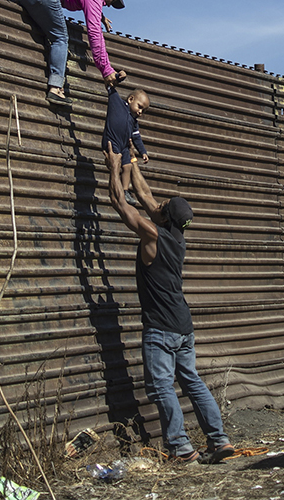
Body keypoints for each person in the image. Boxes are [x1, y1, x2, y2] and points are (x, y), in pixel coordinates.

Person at [103, 142, 237, 464]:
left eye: (163, 204)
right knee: (191, 379)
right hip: (184, 327)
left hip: (161, 330)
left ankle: (180, 448)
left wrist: (112, 166)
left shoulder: (152, 235)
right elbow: (146, 196)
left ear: (165, 217)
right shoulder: (176, 237)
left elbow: (121, 204)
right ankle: (219, 441)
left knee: (161, 387)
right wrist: (131, 159)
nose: (157, 201)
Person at [5, 0, 128, 107]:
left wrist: (100, 16)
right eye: (113, 0)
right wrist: (106, 70)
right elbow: (94, 32)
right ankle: (56, 88)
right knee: (60, 38)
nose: (109, 5)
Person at [102, 86, 150, 206]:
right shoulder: (118, 104)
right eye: (139, 107)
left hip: (124, 146)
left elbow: (137, 138)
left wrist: (143, 152)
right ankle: (115, 190)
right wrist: (116, 77)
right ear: (131, 99)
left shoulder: (134, 122)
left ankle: (125, 191)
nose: (140, 112)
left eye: (143, 111)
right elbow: (110, 87)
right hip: (112, 142)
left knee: (128, 166)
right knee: (116, 165)